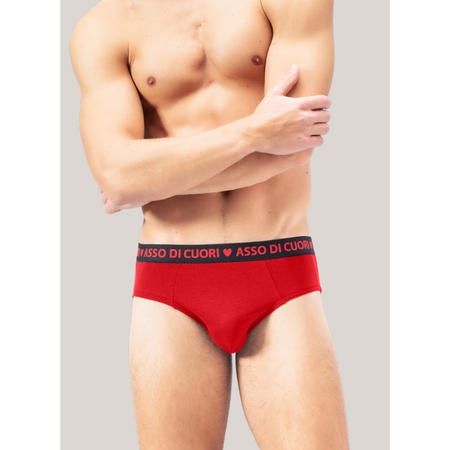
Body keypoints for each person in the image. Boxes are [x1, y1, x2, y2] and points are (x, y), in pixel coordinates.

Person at [70, 0, 350, 448]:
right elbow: (117, 176)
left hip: (279, 267)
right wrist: (254, 132)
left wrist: (150, 176)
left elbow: (297, 142)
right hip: (169, 281)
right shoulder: (104, 26)